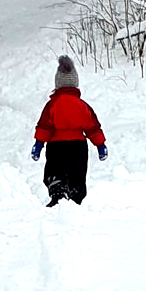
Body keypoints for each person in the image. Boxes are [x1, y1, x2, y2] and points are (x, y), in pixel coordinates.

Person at [30, 56, 108, 206]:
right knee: (77, 174)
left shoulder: (52, 105)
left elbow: (44, 127)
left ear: (57, 83)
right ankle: (75, 198)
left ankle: (58, 193)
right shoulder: (82, 106)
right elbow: (93, 127)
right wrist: (100, 145)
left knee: (55, 170)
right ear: (75, 83)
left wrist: (38, 144)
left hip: (57, 146)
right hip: (78, 147)